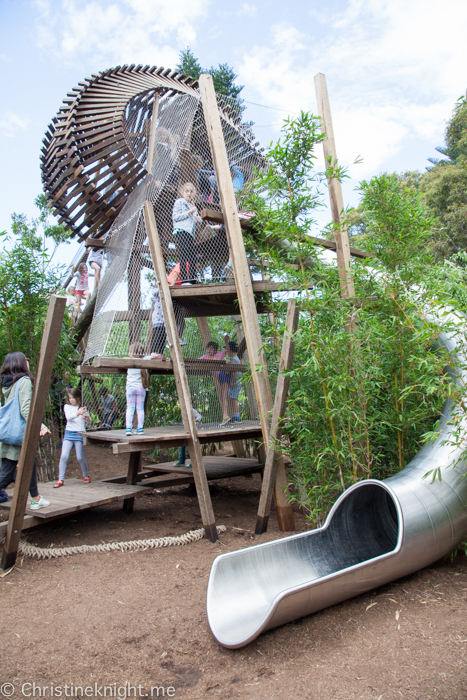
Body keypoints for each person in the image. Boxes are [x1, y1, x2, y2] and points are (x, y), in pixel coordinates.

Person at [0, 352, 51, 509]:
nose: (28, 361)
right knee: (7, 473)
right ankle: (36, 499)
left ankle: (36, 499)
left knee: (30, 462)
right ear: (20, 363)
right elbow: (26, 409)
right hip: (18, 434)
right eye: (25, 359)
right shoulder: (24, 381)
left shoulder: (8, 383)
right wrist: (40, 426)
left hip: (8, 433)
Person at [54, 388, 90, 487]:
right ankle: (61, 479)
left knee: (80, 457)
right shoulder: (67, 407)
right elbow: (68, 417)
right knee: (64, 456)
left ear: (78, 397)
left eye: (73, 398)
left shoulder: (83, 407)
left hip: (79, 434)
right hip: (69, 433)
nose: (71, 400)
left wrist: (87, 418)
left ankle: (86, 475)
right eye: (70, 398)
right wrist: (78, 413)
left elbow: (89, 421)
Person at [125, 343, 161, 436]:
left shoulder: (129, 360)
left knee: (130, 408)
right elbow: (155, 356)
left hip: (130, 388)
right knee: (140, 409)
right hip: (141, 388)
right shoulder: (145, 359)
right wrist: (153, 354)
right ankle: (140, 429)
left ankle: (129, 429)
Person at [172, 182, 202, 284]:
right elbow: (175, 217)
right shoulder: (179, 202)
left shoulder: (193, 206)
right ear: (183, 192)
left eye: (191, 191)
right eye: (187, 191)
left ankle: (192, 280)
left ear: (194, 194)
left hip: (190, 232)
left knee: (192, 256)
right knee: (184, 254)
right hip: (181, 230)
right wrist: (188, 213)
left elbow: (197, 223)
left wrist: (198, 219)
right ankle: (185, 279)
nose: (189, 193)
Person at [219, 341, 242, 426]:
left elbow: (233, 372)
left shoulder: (233, 360)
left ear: (230, 350)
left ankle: (237, 417)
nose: (226, 350)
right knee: (232, 399)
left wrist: (231, 381)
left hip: (235, 383)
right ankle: (236, 416)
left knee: (233, 399)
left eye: (227, 349)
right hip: (236, 382)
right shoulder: (236, 358)